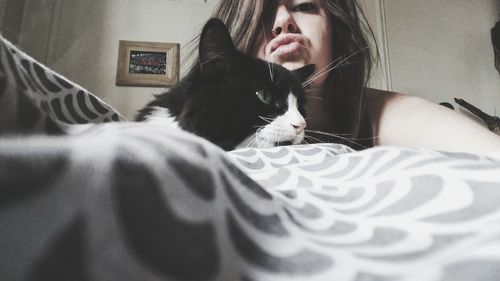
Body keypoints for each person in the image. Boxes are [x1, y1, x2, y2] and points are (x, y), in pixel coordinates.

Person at [207, 0, 500, 155]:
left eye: (306, 6)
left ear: (336, 32)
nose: (283, 21)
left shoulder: (378, 111)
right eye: (264, 11)